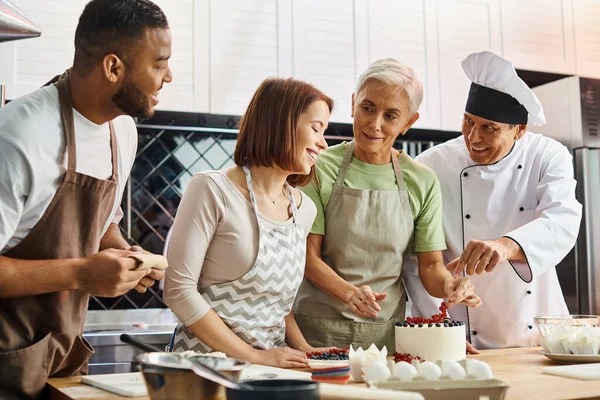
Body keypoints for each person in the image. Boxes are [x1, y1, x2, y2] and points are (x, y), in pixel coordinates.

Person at [0, 0, 173, 398]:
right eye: (159, 64)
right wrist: (82, 274)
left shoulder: (122, 132)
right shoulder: (23, 137)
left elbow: (100, 225)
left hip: (59, 364)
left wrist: (126, 258)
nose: (168, 77)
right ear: (113, 68)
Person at [292, 58, 482, 350]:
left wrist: (450, 286)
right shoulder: (319, 167)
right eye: (367, 108)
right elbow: (308, 258)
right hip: (315, 333)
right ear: (354, 103)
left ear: (409, 122)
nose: (374, 124)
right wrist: (350, 294)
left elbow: (431, 266)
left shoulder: (421, 181)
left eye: (391, 116)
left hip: (386, 338)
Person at [404, 51, 582, 349]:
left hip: (535, 337)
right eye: (468, 122)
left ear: (520, 131)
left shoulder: (547, 155)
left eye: (489, 128)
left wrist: (504, 245)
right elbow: (414, 263)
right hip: (460, 336)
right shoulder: (431, 165)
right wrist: (438, 329)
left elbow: (562, 222)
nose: (473, 137)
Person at [164, 77, 334, 368]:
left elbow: (276, 306)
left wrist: (304, 348)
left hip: (269, 376)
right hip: (205, 371)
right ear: (281, 123)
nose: (323, 142)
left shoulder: (304, 209)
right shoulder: (211, 189)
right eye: (316, 128)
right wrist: (254, 356)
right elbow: (178, 291)